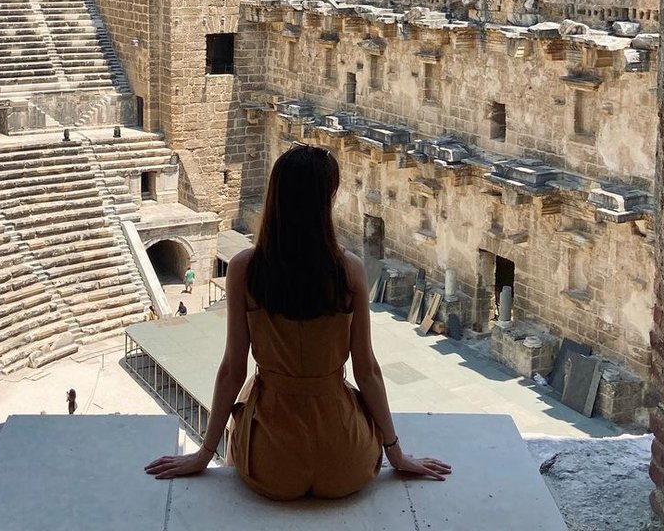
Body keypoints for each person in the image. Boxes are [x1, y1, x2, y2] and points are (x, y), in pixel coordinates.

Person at [146, 145, 451, 499]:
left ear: (276, 196)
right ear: (328, 199)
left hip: (271, 461)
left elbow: (233, 369)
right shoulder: (348, 269)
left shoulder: (246, 268)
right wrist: (396, 452)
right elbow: (366, 370)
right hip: (345, 459)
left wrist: (204, 453)